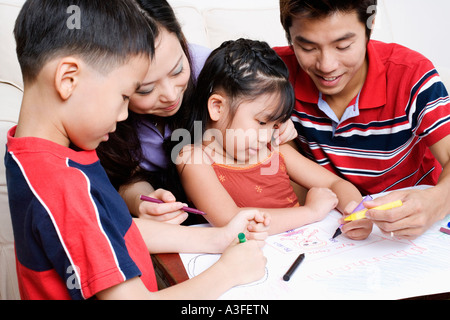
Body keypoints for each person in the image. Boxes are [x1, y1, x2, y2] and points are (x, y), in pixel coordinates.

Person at [6, 0, 268, 300]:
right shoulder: (62, 185)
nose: (122, 115)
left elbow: (116, 231)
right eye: (124, 95)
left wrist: (218, 237)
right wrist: (228, 272)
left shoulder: (34, 153)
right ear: (68, 79)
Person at [96, 0, 297, 226]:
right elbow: (127, 177)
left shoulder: (214, 72)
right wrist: (141, 201)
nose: (171, 96)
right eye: (146, 89)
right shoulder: (105, 114)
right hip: (185, 222)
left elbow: (264, 110)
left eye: (177, 70)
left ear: (181, 39)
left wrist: (279, 124)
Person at [275, 0, 450, 239]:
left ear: (370, 25)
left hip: (408, 224)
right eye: (307, 48)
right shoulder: (273, 78)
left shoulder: (410, 74)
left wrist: (438, 201)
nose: (327, 66)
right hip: (329, 226)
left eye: (344, 46)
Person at [176, 38, 368, 237]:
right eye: (261, 122)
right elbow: (232, 221)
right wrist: (311, 212)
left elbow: (335, 184)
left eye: (275, 125)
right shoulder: (193, 159)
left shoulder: (272, 148)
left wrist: (357, 213)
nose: (267, 135)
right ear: (217, 107)